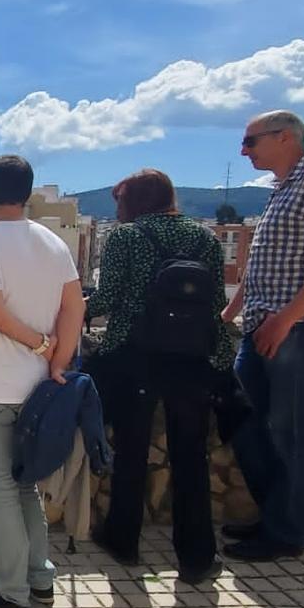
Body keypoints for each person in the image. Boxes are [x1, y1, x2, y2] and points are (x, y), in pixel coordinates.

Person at [0, 155, 83, 608]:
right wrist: (58, 361)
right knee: (26, 489)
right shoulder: (54, 243)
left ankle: (10, 594)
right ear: (27, 194)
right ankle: (39, 580)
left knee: (3, 494)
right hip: (39, 391)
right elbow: (74, 306)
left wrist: (42, 345)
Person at [85, 169, 229, 584]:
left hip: (137, 354)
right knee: (191, 455)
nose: (117, 208)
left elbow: (108, 297)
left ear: (134, 201)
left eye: (120, 200)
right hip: (191, 358)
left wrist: (75, 307)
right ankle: (198, 557)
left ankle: (123, 539)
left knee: (131, 449)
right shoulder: (204, 238)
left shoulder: (127, 237)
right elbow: (216, 300)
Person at [222, 110, 304, 561]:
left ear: (284, 137)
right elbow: (262, 261)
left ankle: (288, 532)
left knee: (293, 432)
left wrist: (288, 318)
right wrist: (231, 311)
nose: (243, 151)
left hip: (299, 328)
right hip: (260, 324)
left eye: (250, 142)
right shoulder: (281, 189)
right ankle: (278, 515)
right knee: (242, 418)